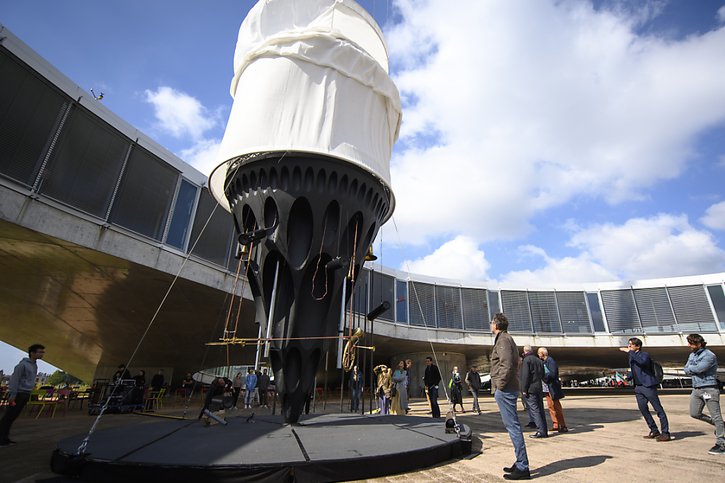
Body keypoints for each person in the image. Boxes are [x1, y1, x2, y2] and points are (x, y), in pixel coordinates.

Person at [490, 313, 530, 480]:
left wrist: (499, 386)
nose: (490, 325)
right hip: (508, 388)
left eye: (491, 323)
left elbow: (507, 364)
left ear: (497, 325)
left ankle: (523, 466)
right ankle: (520, 461)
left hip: (505, 389)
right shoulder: (506, 338)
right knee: (512, 426)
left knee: (512, 427)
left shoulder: (503, 340)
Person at [619, 338, 670, 441]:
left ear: (637, 346)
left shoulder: (644, 355)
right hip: (638, 387)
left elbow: (642, 362)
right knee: (643, 409)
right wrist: (628, 377)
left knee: (658, 409)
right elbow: (635, 369)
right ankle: (654, 430)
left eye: (631, 345)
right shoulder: (632, 356)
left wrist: (630, 352)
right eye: (628, 345)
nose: (629, 347)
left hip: (648, 385)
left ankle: (665, 433)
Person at [683, 333, 724, 455]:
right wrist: (691, 368)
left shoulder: (709, 355)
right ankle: (720, 426)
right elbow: (686, 369)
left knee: (716, 415)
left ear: (699, 343)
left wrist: (691, 368)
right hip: (696, 389)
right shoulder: (692, 355)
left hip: (709, 388)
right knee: (694, 413)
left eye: (691, 343)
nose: (689, 345)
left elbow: (700, 368)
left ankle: (721, 443)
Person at [1, 344, 45, 447]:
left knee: (13, 416)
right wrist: (13, 395)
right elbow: (15, 379)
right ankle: (1, 439)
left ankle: (5, 438)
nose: (42, 354)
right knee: (8, 416)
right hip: (18, 394)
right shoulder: (22, 365)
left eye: (42, 352)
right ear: (32, 353)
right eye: (40, 352)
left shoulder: (34, 365)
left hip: (25, 393)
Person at [538, 347, 568, 433]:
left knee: (556, 406)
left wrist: (544, 377)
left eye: (539, 353)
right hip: (547, 388)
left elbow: (553, 373)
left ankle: (562, 425)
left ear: (543, 353)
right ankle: (555, 424)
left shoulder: (550, 361)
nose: (538, 355)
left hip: (552, 387)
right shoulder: (544, 362)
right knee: (550, 406)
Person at [521, 345, 547, 438]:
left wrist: (524, 389)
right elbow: (543, 375)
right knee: (540, 409)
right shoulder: (539, 361)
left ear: (525, 351)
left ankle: (540, 431)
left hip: (530, 389)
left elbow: (525, 376)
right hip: (538, 387)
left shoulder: (527, 360)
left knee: (534, 410)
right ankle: (544, 430)